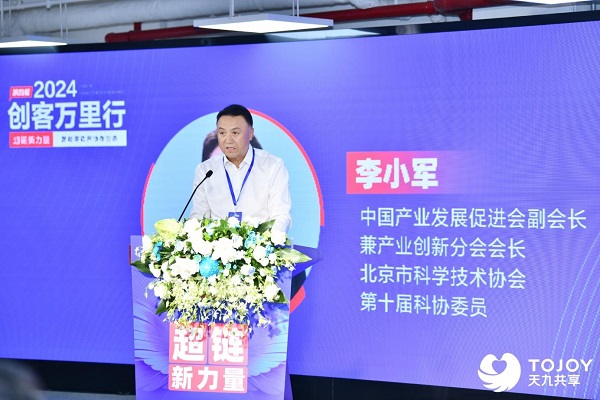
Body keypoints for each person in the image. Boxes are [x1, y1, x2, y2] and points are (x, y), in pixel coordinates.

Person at [190, 104, 292, 234]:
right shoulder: (205, 170)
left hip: (259, 244)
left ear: (250, 134)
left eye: (235, 133)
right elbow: (198, 217)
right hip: (217, 245)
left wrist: (268, 241)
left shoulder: (272, 165)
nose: (228, 140)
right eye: (222, 133)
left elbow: (281, 215)